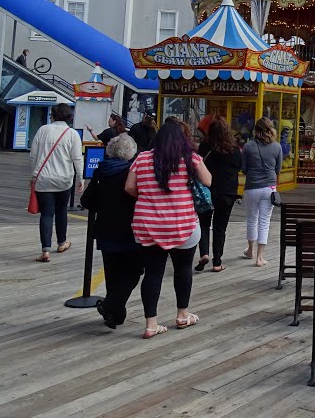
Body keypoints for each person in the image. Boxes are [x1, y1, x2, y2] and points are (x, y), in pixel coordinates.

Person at [126, 122, 212, 338]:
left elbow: (129, 187)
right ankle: (182, 315)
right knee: (183, 269)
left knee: (153, 273)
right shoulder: (190, 158)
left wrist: (148, 196)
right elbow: (208, 180)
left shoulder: (142, 158)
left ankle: (150, 324)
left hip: (149, 225)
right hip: (183, 225)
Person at [80, 133, 142, 329]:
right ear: (131, 152)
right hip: (129, 229)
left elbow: (87, 201)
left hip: (105, 229)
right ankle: (111, 306)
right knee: (134, 271)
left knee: (113, 274)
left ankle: (115, 315)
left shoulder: (101, 171)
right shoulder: (131, 173)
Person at [30, 104, 83, 262]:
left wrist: (34, 174)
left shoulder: (42, 130)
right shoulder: (72, 134)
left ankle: (45, 250)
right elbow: (77, 158)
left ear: (52, 115)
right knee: (61, 211)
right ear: (69, 117)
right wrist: (81, 178)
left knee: (46, 213)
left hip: (43, 178)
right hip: (64, 179)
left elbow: (33, 155)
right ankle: (61, 243)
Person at [195, 117, 242, 272]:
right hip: (227, 192)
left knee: (204, 224)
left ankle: (204, 253)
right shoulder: (233, 147)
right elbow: (239, 166)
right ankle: (217, 262)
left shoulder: (205, 145)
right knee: (220, 228)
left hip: (206, 190)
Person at [241, 117, 283, 266]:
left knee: (252, 219)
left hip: (251, 187)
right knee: (264, 222)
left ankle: (250, 250)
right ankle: (260, 257)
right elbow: (278, 169)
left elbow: (244, 168)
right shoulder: (277, 147)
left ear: (255, 130)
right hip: (269, 188)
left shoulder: (248, 146)